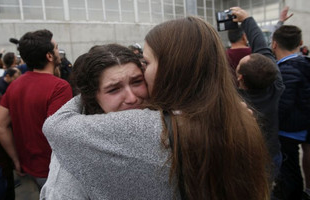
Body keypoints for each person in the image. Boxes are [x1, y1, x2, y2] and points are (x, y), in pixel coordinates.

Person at [43, 16, 270, 200]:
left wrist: (85, 94)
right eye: (113, 89)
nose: (131, 98)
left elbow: (55, 125)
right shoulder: (235, 119)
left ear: (171, 70)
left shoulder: (150, 126)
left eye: (144, 67)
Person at [40, 43, 149, 199]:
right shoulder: (71, 165)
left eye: (137, 82)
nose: (132, 98)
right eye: (114, 89)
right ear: (93, 97)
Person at [0, 29, 73, 191]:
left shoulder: (15, 84)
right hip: (53, 170)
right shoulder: (60, 87)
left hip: (28, 167)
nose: (59, 51)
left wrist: (16, 159)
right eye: (56, 48)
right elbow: (61, 133)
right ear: (49, 56)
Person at [232, 7, 284, 184]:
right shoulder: (276, 86)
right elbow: (262, 47)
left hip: (244, 161)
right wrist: (247, 19)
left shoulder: (234, 100)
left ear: (240, 77)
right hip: (271, 155)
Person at [271, 25, 310, 200]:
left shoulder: (286, 70)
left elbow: (283, 105)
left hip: (289, 131)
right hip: (304, 127)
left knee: (289, 171)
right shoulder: (305, 63)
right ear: (300, 43)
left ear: (274, 45)